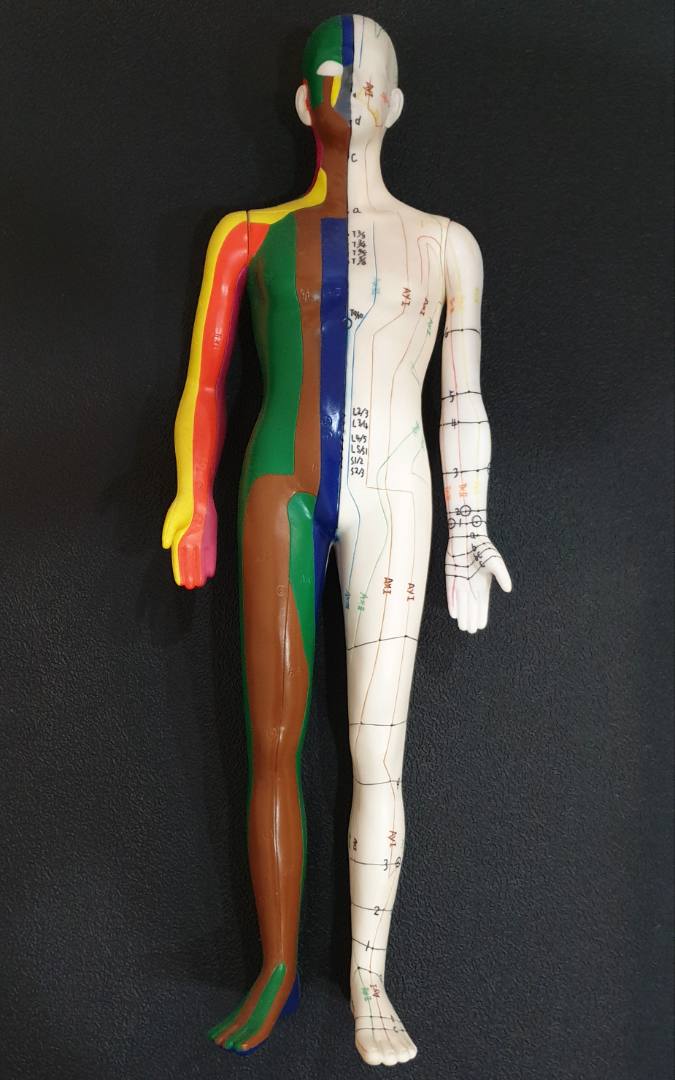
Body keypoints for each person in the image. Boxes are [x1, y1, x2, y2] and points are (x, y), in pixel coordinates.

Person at [162, 13, 512, 1066]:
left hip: (396, 494)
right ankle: (275, 968)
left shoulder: (447, 245)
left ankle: (368, 981)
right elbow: (207, 382)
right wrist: (193, 494)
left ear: (392, 106)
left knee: (376, 754)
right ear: (302, 101)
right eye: (329, 77)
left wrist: (470, 523)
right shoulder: (246, 236)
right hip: (278, 489)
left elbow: (463, 398)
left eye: (365, 83)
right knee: (270, 740)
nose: (347, 95)